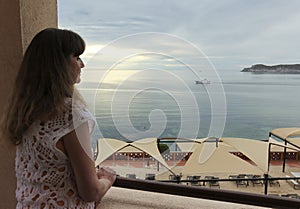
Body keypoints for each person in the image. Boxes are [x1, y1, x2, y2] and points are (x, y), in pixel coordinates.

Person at [0, 28, 116, 209]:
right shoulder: (70, 114)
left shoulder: (24, 111)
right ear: (59, 64)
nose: (82, 64)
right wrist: (107, 179)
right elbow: (90, 191)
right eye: (77, 57)